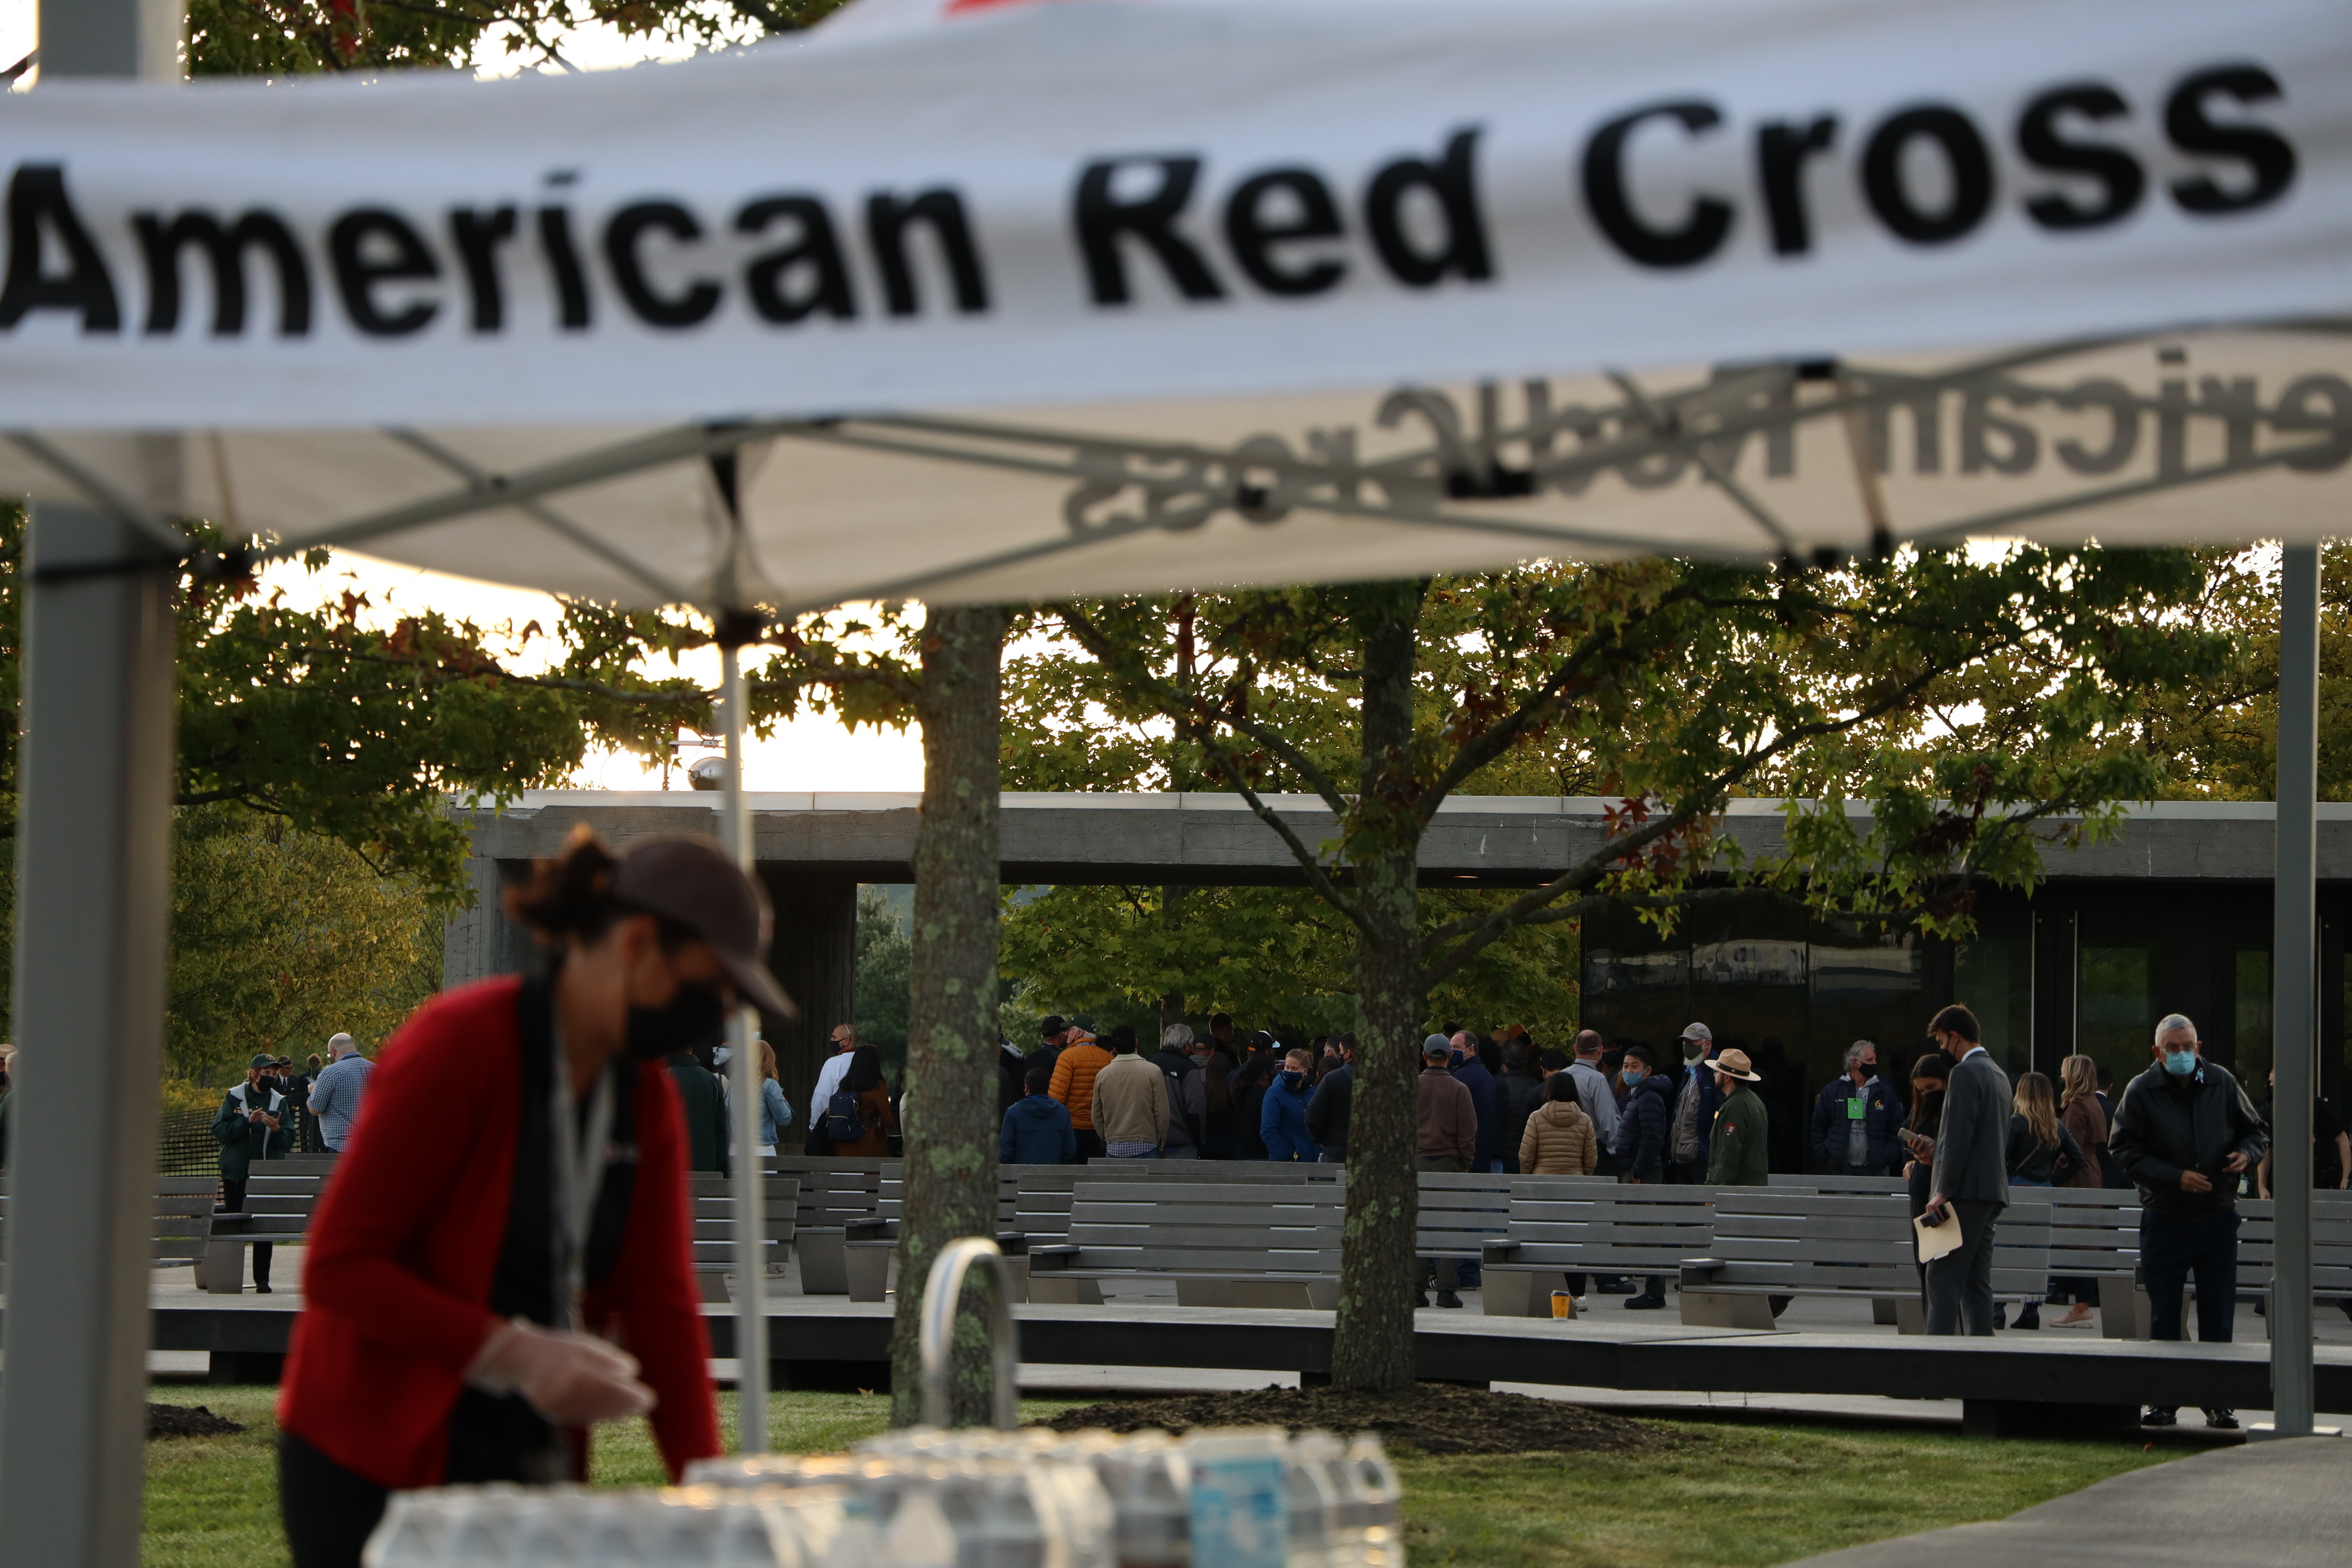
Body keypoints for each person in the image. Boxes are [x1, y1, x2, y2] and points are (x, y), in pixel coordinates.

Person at [278, 829, 755, 1567]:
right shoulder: (459, 1043)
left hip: (525, 1450)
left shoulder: (647, 1098)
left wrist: (713, 1499)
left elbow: (659, 1301)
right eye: (705, 986)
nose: (713, 1013)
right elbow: (339, 1267)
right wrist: (515, 1352)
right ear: (635, 943)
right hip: (372, 1452)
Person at [2109, 1013, 2266, 1429]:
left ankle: (2218, 1400)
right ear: (2158, 1052)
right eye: (2172, 1048)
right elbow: (2123, 1150)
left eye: (2187, 1047)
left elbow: (2257, 1132)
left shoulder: (2222, 1082)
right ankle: (2164, 1399)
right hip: (2165, 1216)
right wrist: (2174, 1177)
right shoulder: (2141, 1090)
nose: (2181, 1054)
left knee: (2218, 1313)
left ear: (2198, 1048)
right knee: (2164, 1314)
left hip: (2216, 1216)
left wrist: (2246, 1156)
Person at [1921, 1003, 2010, 1337]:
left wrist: (1942, 1189)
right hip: (1990, 1192)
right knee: (1977, 1282)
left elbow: (1959, 1135)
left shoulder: (1964, 1073)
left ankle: (1935, 1368)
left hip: (1963, 1192)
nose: (1942, 1049)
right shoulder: (1999, 1074)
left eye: (1943, 1041)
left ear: (1955, 1037)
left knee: (1941, 1276)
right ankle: (1979, 1366)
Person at [2002, 1070, 2085, 1329]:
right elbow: (2078, 1160)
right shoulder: (2057, 1126)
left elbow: (2000, 1160)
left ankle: (1997, 1307)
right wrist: (2052, 1181)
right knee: (2038, 1254)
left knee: (2006, 1251)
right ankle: (2031, 1310)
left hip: (2016, 1194)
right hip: (2045, 1196)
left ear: (2021, 1094)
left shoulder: (2015, 1123)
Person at [215, 1053, 295, 1293]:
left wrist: (278, 1128)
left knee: (263, 1226)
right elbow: (220, 1131)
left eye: (274, 1073)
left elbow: (289, 1140)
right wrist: (247, 1122)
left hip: (265, 1174)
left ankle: (262, 1280)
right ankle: (227, 1279)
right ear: (254, 1073)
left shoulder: (279, 1102)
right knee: (233, 1224)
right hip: (236, 1171)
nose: (271, 1077)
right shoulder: (235, 1096)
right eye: (266, 1072)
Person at [2046, 1053, 2109, 1326]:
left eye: (2064, 1072)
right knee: (2084, 1237)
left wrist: (2051, 1177)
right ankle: (2081, 1304)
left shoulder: (2077, 1105)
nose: (2061, 1076)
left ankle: (2081, 1306)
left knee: (2077, 1239)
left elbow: (2068, 1146)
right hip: (2091, 1172)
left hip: (2076, 1177)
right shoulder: (2093, 1101)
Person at [1415, 1035, 1478, 1308]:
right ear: (1450, 1057)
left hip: (1416, 1162)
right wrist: (1465, 1162)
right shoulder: (1459, 1089)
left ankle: (1415, 1290)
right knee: (1449, 1226)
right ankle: (1446, 1290)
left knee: (1417, 1226)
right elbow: (1468, 1132)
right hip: (1450, 1162)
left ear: (1425, 1056)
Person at [1611, 1044, 1675, 1308]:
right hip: (1634, 1169)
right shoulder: (1638, 1095)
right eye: (1625, 1066)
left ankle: (1654, 1292)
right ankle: (1652, 1289)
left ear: (1647, 1070)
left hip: (1643, 1173)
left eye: (1634, 1067)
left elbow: (1652, 1139)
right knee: (1643, 1231)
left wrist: (1637, 1171)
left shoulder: (1649, 1097)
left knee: (1650, 1231)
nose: (1628, 1071)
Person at [1899, 1052, 1952, 1308]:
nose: (1927, 1094)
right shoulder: (1919, 1108)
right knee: (1925, 1266)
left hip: (1941, 1192)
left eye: (1931, 1087)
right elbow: (1907, 1138)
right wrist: (1909, 1161)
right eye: (1921, 1090)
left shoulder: (1952, 1107)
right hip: (1921, 1190)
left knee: (1940, 1269)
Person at [1809, 1040, 1903, 1177]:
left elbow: (1897, 1129)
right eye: (1869, 1060)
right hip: (1841, 1168)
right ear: (1855, 1063)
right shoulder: (1833, 1091)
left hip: (1874, 1170)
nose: (1874, 1063)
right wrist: (1827, 1156)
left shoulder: (1885, 1093)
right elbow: (1818, 1126)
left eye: (1875, 1059)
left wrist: (1884, 1158)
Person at [2255, 1068, 2351, 1198]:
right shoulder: (2271, 1112)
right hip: (2283, 1183)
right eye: (2271, 1083)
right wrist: (2261, 1185)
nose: (2272, 1087)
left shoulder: (2316, 1106)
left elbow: (2342, 1137)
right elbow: (2267, 1149)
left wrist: (2346, 1177)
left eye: (2274, 1082)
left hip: (2317, 1180)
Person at [1091, 1025, 1170, 1158]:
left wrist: (1107, 1138)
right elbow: (1162, 1113)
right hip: (1146, 1144)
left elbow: (1096, 1115)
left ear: (1114, 1049)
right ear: (1136, 1042)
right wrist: (1159, 1139)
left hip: (1114, 1147)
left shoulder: (1103, 1075)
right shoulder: (1153, 1071)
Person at [1048, 1020, 1115, 1162]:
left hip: (1072, 1128)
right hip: (1099, 1129)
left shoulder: (1067, 1057)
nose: (1066, 1034)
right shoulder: (1108, 1059)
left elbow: (1056, 1098)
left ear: (1079, 1033)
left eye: (1069, 1030)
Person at [1704, 1049, 1770, 1186]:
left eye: (1717, 1072)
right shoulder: (1753, 1100)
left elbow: (1729, 1153)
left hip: (1736, 1193)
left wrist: (1714, 1188)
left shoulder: (1735, 1106)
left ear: (1727, 1077)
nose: (1714, 1075)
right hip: (1751, 1189)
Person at [1667, 1023, 1721, 1183]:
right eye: (1686, 1043)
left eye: (1693, 1043)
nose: (1688, 1047)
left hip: (1699, 1160)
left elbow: (1717, 1116)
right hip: (1679, 1156)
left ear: (1708, 1044)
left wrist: (1707, 1153)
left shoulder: (1715, 1072)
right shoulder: (1689, 1069)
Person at [666, 1040, 729, 1175]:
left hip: (669, 1169)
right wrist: (718, 1167)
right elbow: (722, 1131)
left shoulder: (662, 1079)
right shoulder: (711, 1081)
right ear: (691, 1049)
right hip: (706, 1169)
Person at [1518, 1073, 1599, 1176]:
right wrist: (1584, 1177)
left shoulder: (1535, 1118)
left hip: (1541, 1180)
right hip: (1575, 1180)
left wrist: (1527, 1177)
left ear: (1549, 1090)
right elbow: (1590, 1160)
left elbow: (1526, 1157)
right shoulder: (1585, 1120)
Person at [307, 1033, 375, 1154]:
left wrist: (313, 1093)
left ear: (333, 1052)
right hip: (370, 1145)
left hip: (340, 1146)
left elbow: (315, 1109)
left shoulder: (330, 1073)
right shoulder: (375, 1070)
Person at [1564, 1031, 1622, 1174]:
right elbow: (1607, 1119)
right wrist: (1614, 1149)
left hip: (1564, 1145)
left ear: (1575, 1048)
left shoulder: (1561, 1076)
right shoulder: (1597, 1079)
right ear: (1599, 1050)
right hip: (1594, 1147)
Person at [1000, 1060, 1077, 1164]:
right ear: (1048, 1087)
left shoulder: (1013, 1113)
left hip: (1021, 1176)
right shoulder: (1063, 1112)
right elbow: (1070, 1150)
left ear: (1026, 1088)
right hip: (1054, 1175)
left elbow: (1006, 1153)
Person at [828, 1044, 897, 1158]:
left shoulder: (845, 1085)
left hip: (842, 1149)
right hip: (868, 1149)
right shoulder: (877, 1087)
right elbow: (888, 1122)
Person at [804, 1023, 859, 1156]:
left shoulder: (834, 1063)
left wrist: (816, 1128)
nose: (831, 1040)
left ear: (846, 1040)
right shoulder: (864, 1063)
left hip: (836, 1134)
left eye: (834, 1037)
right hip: (860, 1133)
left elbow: (821, 1098)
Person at [1450, 1031, 1500, 1174]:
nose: (1452, 1052)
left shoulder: (1461, 1077)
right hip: (1483, 1154)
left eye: (1456, 1048)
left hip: (1466, 1158)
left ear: (1470, 1050)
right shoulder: (1486, 1076)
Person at [1154, 1024, 1205, 1158]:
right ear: (1187, 1045)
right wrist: (1200, 1140)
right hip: (1182, 1145)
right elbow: (1195, 1109)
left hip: (1152, 1144)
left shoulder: (1149, 1063)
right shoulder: (1189, 1068)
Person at [1494, 1043, 1546, 1174]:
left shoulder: (1500, 1086)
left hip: (1505, 1153)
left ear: (1503, 1062)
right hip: (1530, 1152)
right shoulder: (1536, 1086)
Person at [1260, 1048, 1317, 1162]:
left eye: (1294, 1068)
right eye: (1287, 1067)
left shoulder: (1312, 1093)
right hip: (1288, 1162)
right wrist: (1283, 1158)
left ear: (1305, 1071)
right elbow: (1268, 1130)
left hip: (1311, 1161)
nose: (1289, 1071)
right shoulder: (1275, 1093)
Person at [1304, 1036, 1354, 1163]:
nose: (1340, 1054)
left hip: (1336, 1153)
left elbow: (1312, 1115)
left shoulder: (1332, 1080)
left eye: (1341, 1050)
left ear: (1348, 1054)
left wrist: (1321, 1140)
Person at [751, 1040, 794, 1156]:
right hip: (761, 1148)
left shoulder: (733, 1083)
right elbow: (784, 1118)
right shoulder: (769, 1085)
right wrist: (783, 1099)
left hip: (735, 1148)